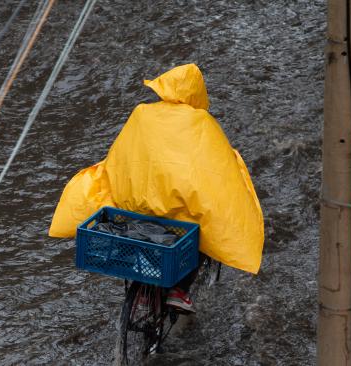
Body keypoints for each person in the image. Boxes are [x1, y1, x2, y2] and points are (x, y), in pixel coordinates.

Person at [49, 64, 265, 313]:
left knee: (142, 232)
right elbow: (217, 168)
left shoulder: (141, 114)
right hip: (174, 211)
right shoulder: (201, 122)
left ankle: (143, 287)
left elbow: (120, 156)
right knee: (205, 234)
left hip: (135, 205)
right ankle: (179, 291)